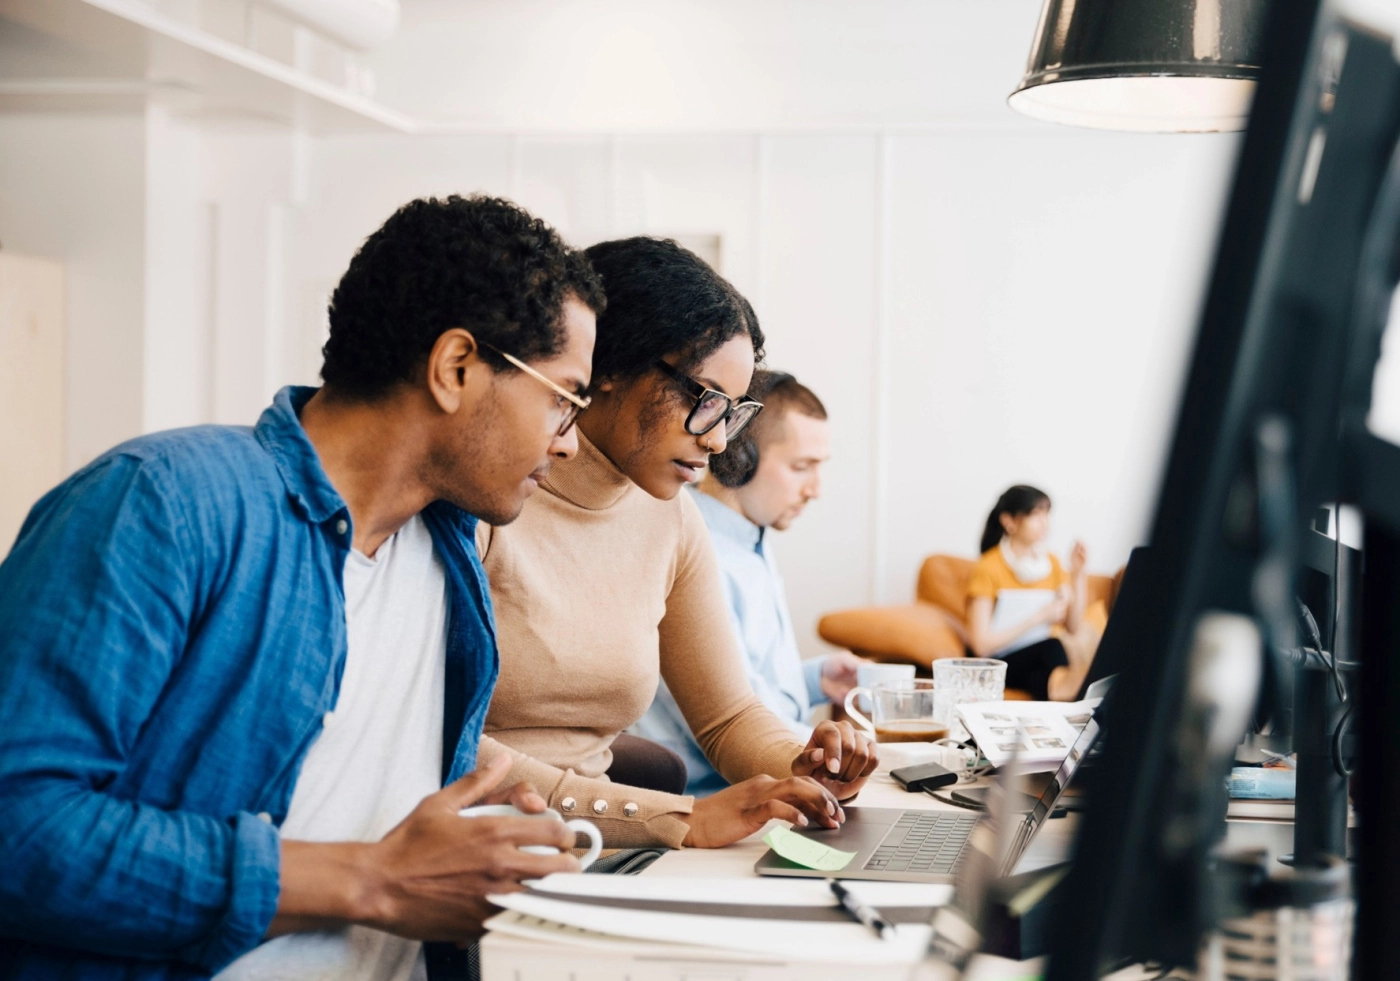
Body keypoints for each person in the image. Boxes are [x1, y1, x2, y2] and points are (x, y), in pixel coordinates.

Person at [0, 195, 606, 981]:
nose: (570, 440)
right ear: (456, 367)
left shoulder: (448, 552)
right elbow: (18, 823)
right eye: (564, 398)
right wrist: (371, 880)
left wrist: (475, 852)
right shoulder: (163, 503)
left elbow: (357, 801)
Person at [477, 238, 878, 851]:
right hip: (496, 842)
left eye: (734, 412)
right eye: (704, 401)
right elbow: (446, 744)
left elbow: (727, 716)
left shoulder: (670, 517)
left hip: (603, 842)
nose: (719, 442)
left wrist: (805, 763)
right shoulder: (488, 500)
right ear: (605, 368)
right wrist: (675, 819)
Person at [632, 370, 864, 796]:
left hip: (763, 776)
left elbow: (743, 679)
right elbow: (738, 718)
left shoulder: (749, 536)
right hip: (717, 798)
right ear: (739, 455)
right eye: (801, 467)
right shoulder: (698, 545)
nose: (815, 489)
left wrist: (814, 679)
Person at [965, 484, 1092, 701]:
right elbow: (981, 645)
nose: (1045, 523)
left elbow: (1073, 627)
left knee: (1042, 676)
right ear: (1009, 521)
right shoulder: (988, 566)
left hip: (1035, 662)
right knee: (1052, 647)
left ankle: (1065, 706)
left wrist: (1077, 575)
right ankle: (1075, 695)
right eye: (1035, 515)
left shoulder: (1051, 563)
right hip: (998, 662)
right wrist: (1039, 618)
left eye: (1046, 514)